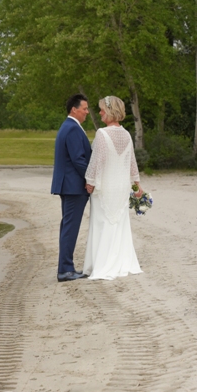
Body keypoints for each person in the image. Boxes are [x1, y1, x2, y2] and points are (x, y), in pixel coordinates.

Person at [83, 95, 143, 280]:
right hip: (121, 187)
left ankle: (101, 264)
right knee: (119, 224)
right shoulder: (126, 134)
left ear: (110, 111)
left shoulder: (102, 133)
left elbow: (97, 161)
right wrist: (136, 185)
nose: (100, 112)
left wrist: (90, 181)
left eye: (102, 109)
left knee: (101, 223)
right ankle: (121, 260)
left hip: (105, 187)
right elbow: (132, 162)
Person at [51, 94, 92, 282]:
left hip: (68, 185)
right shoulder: (73, 128)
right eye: (84, 108)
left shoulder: (67, 126)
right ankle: (66, 270)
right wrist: (90, 179)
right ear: (74, 109)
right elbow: (78, 159)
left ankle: (65, 268)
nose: (87, 112)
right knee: (70, 228)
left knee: (67, 227)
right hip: (74, 187)